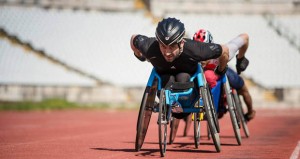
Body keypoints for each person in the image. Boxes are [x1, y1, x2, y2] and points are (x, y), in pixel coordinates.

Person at [130, 17, 230, 119]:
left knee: (183, 77)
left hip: (189, 89)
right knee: (168, 79)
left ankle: (180, 103)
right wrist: (140, 56)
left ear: (181, 43)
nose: (167, 52)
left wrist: (220, 69)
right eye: (163, 46)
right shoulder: (150, 46)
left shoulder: (196, 49)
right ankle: (171, 103)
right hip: (165, 86)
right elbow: (134, 38)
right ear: (158, 42)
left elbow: (225, 50)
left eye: (172, 46)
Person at [193, 29, 256, 121]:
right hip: (203, 74)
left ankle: (250, 112)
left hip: (221, 70)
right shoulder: (191, 54)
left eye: (204, 51)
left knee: (243, 89)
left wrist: (240, 58)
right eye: (198, 51)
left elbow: (245, 37)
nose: (201, 56)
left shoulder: (224, 51)